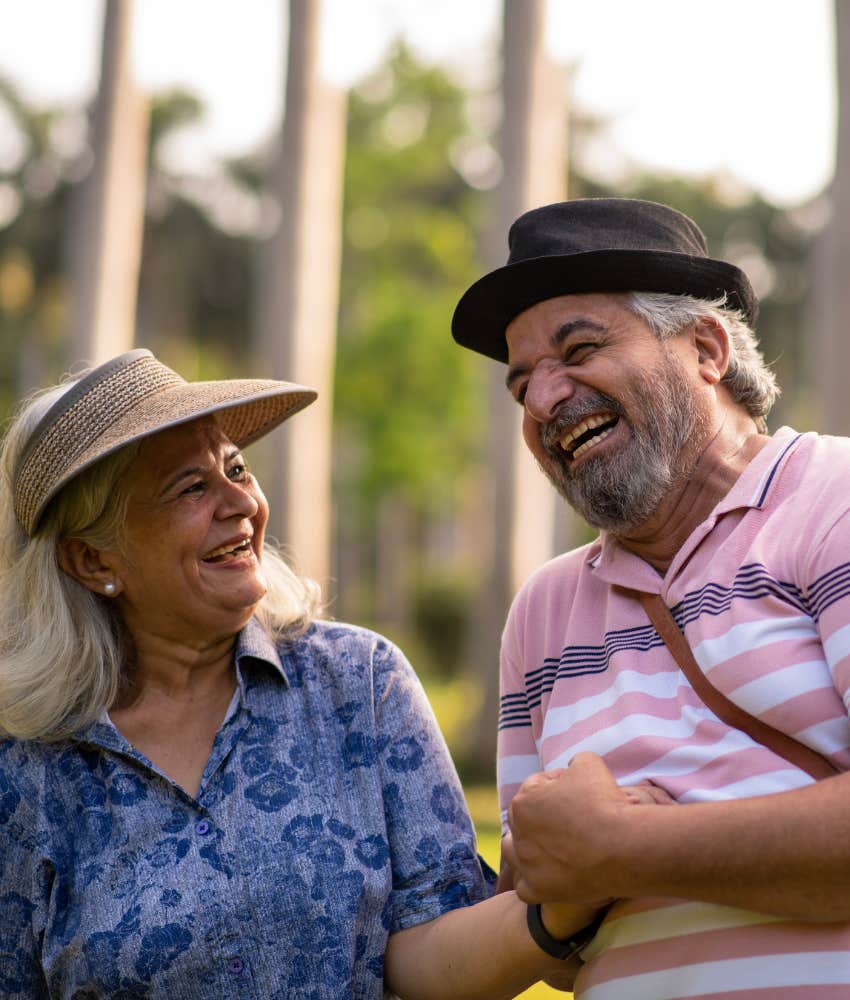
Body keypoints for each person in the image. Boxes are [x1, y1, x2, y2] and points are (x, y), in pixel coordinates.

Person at [0, 346, 619, 999]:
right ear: (92, 560)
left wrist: (570, 902)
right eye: (189, 487)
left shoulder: (360, 684)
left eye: (236, 468)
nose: (240, 501)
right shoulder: (25, 770)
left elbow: (445, 947)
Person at [450, 197, 850, 998]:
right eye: (521, 381)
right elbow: (552, 933)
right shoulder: (544, 611)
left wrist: (627, 841)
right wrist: (572, 870)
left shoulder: (834, 500)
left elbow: (597, 851)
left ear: (705, 347)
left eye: (581, 349)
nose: (541, 401)